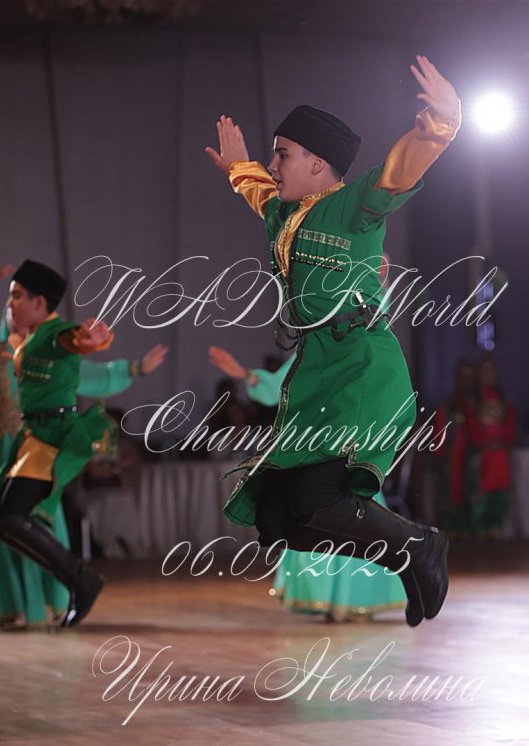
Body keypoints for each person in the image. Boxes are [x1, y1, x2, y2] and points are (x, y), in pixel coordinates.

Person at [205, 55, 460, 626]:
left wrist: (441, 123)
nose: (273, 164)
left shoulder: (355, 207)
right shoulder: (285, 214)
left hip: (362, 368)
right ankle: (406, 555)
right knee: (278, 520)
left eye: (283, 154)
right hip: (318, 369)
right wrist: (238, 167)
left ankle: (420, 546)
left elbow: (398, 172)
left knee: (319, 498)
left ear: (318, 163)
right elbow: (258, 193)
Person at [0, 264, 167, 627]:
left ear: (39, 303)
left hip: (48, 441)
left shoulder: (52, 334)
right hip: (27, 442)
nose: (9, 305)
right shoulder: (12, 345)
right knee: (2, 522)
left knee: (16, 519)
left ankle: (77, 583)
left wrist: (92, 340)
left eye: (16, 296)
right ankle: (69, 584)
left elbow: (71, 341)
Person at [210, 345, 406, 621]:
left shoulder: (366, 348)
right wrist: (245, 375)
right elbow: (279, 387)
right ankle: (327, 598)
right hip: (315, 446)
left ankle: (355, 599)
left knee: (353, 516)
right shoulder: (311, 349)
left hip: (350, 444)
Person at [466, 356, 516, 538]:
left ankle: (496, 527)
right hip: (483, 454)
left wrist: (502, 441)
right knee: (482, 493)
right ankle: (479, 528)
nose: (488, 375)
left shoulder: (503, 397)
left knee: (500, 492)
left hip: (500, 454)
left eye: (491, 371)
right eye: (484, 371)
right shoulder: (474, 399)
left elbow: (510, 422)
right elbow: (471, 425)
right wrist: (483, 442)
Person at [434, 358, 475, 535]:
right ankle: (451, 527)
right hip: (452, 455)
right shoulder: (448, 403)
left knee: (470, 490)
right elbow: (439, 430)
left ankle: (469, 527)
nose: (465, 380)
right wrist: (440, 453)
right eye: (462, 375)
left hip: (470, 454)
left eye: (469, 376)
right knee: (450, 492)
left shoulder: (476, 402)